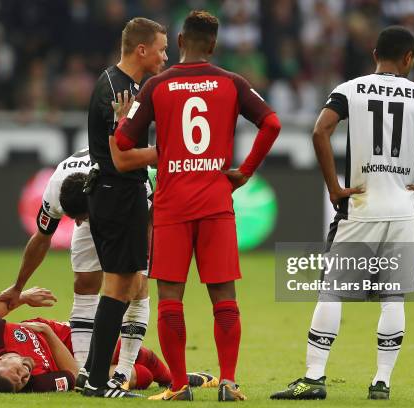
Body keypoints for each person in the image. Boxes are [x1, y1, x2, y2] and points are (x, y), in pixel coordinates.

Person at [270, 26, 414, 401]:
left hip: (360, 207)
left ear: (375, 53)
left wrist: (334, 188)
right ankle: (381, 382)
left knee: (331, 292)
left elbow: (320, 132)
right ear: (409, 58)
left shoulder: (350, 89)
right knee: (394, 297)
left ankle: (314, 378)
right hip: (402, 211)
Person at [114, 10, 281, 401]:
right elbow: (271, 123)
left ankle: (177, 386)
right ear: (214, 45)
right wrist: (244, 172)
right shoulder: (232, 83)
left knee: (171, 300)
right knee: (225, 299)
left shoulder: (157, 85)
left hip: (172, 206)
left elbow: (123, 142)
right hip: (216, 202)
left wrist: (132, 125)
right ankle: (227, 381)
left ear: (180, 42)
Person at [0, 146, 155, 386]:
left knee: (136, 285)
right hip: (99, 203)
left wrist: (146, 261)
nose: (77, 222)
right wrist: (18, 286)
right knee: (85, 282)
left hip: (127, 212)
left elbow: (149, 216)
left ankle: (123, 371)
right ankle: (82, 370)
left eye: (81, 216)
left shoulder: (127, 181)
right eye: (74, 218)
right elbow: (41, 238)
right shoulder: (56, 187)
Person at [82, 17, 167, 398]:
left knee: (128, 284)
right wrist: (165, 153)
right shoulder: (116, 90)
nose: (166, 56)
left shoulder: (128, 86)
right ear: (142, 49)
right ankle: (98, 381)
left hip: (119, 193)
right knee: (119, 286)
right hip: (117, 193)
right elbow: (122, 159)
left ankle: (91, 374)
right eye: (162, 49)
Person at [0, 284, 211, 393]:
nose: (23, 376)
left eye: (15, 373)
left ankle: (176, 378)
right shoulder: (39, 384)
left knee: (139, 353)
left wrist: (23, 297)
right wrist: (45, 334)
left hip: (64, 336)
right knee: (143, 374)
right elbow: (77, 376)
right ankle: (164, 378)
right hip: (65, 357)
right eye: (20, 383)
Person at [0, 286, 77, 393]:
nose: (25, 374)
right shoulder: (37, 384)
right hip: (84, 350)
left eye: (17, 371)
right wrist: (47, 331)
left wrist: (23, 297)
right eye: (22, 381)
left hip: (72, 327)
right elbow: (74, 375)